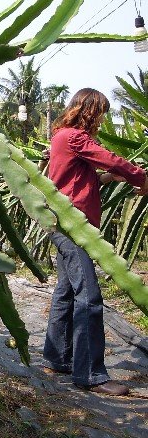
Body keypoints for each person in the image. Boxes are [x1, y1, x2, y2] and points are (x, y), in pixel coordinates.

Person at [43, 88, 148, 396]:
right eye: (101, 111)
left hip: (66, 224)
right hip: (72, 227)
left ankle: (57, 358)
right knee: (88, 296)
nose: (103, 118)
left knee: (66, 292)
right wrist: (141, 178)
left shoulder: (64, 138)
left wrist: (106, 179)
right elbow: (113, 160)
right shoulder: (74, 137)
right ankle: (90, 375)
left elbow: (76, 180)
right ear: (89, 110)